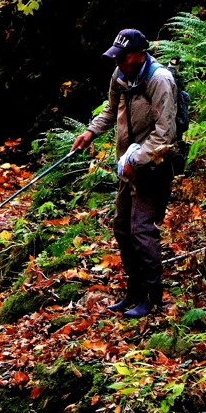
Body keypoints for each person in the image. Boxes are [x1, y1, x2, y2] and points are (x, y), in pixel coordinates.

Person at [72, 29, 179, 318]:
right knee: (122, 228)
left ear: (139, 54)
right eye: (116, 58)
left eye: (123, 57)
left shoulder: (160, 81)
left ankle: (152, 299)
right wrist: (91, 132)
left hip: (153, 166)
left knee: (142, 231)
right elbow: (111, 108)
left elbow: (165, 135)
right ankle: (134, 292)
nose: (118, 63)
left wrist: (138, 160)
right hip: (127, 167)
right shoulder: (121, 75)